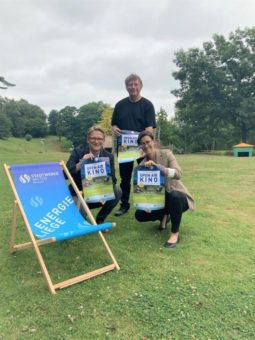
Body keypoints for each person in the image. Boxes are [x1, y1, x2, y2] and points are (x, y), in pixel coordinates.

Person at [135, 130, 195, 248]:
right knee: (139, 215)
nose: (146, 145)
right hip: (159, 199)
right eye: (143, 143)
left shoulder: (167, 153)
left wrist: (160, 168)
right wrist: (146, 203)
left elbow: (178, 174)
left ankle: (174, 234)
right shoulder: (141, 165)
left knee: (174, 196)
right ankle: (163, 216)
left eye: (148, 142)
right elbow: (142, 189)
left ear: (154, 142)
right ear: (140, 147)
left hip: (177, 197)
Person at [111, 73, 156, 216]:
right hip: (124, 148)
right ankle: (124, 205)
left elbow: (149, 129)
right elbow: (114, 124)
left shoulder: (147, 105)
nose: (133, 87)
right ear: (126, 87)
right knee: (125, 178)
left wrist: (142, 139)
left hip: (142, 148)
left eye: (136, 84)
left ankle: (148, 204)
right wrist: (114, 128)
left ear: (140, 86)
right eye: (130, 84)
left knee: (146, 174)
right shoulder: (120, 105)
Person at [66, 126, 122, 224]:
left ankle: (100, 219)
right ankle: (81, 215)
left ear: (103, 140)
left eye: (100, 139)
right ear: (88, 139)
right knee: (81, 220)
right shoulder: (77, 152)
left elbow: (113, 179)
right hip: (79, 194)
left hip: (97, 195)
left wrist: (103, 194)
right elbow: (65, 174)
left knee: (117, 190)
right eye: (93, 138)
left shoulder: (108, 156)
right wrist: (81, 163)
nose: (96, 141)